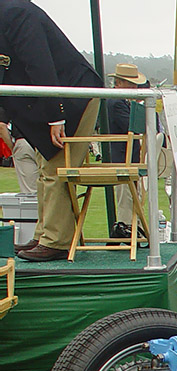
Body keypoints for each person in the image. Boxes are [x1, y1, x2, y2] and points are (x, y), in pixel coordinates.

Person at [0, 0, 103, 261]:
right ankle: (44, 234)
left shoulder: (17, 13)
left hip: (72, 97)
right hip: (49, 100)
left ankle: (56, 241)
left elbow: (39, 63)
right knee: (45, 168)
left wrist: (56, 116)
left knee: (56, 168)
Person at [106, 62, 146, 237]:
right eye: (130, 83)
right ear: (120, 83)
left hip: (127, 156)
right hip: (122, 157)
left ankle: (130, 227)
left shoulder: (121, 102)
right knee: (126, 196)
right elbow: (132, 126)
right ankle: (125, 228)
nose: (134, 87)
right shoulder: (116, 103)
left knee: (130, 196)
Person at [0, 105, 38, 193]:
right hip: (50, 141)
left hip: (23, 142)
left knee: (30, 192)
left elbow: (2, 126)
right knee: (53, 187)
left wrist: (12, 147)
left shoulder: (12, 98)